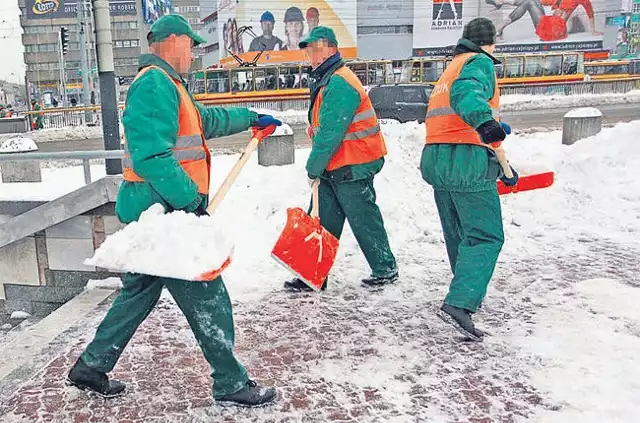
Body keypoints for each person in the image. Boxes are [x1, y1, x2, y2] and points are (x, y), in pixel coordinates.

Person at [66, 15, 282, 408]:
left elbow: (204, 122)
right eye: (192, 44)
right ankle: (231, 382)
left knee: (138, 293)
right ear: (173, 40)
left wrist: (250, 118)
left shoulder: (171, 86)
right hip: (164, 213)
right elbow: (151, 156)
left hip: (162, 208)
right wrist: (189, 200)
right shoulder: (153, 84)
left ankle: (91, 366)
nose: (195, 52)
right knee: (207, 291)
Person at [421, 18, 518, 341]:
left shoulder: (451, 67)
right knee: (486, 235)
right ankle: (461, 301)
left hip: (438, 159)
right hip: (465, 160)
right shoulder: (479, 63)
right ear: (490, 44)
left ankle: (464, 288)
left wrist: (501, 163)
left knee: (459, 233)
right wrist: (485, 122)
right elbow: (468, 95)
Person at [284, 27, 398, 292]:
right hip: (335, 164)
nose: (310, 54)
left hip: (354, 164)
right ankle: (313, 274)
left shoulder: (340, 82)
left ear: (332, 48)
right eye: (308, 49)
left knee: (363, 217)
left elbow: (330, 134)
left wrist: (313, 167)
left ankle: (385, 268)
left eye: (316, 47)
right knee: (323, 220)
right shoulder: (326, 79)